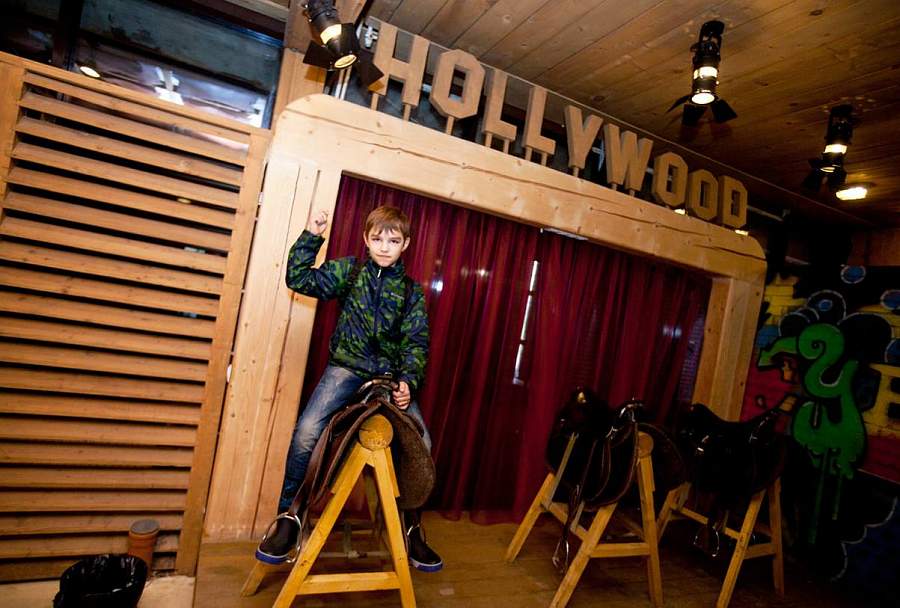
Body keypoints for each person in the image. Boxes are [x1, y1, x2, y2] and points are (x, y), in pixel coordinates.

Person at [256, 205, 443, 572]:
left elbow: (416, 344)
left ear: (405, 244)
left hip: (388, 377)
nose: (385, 247)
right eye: (378, 239)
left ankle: (411, 528)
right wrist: (312, 235)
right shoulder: (350, 271)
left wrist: (408, 381)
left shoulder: (411, 292)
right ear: (366, 240)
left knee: (422, 443)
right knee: (307, 431)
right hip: (346, 369)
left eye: (393, 240)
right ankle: (290, 517)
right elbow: (298, 279)